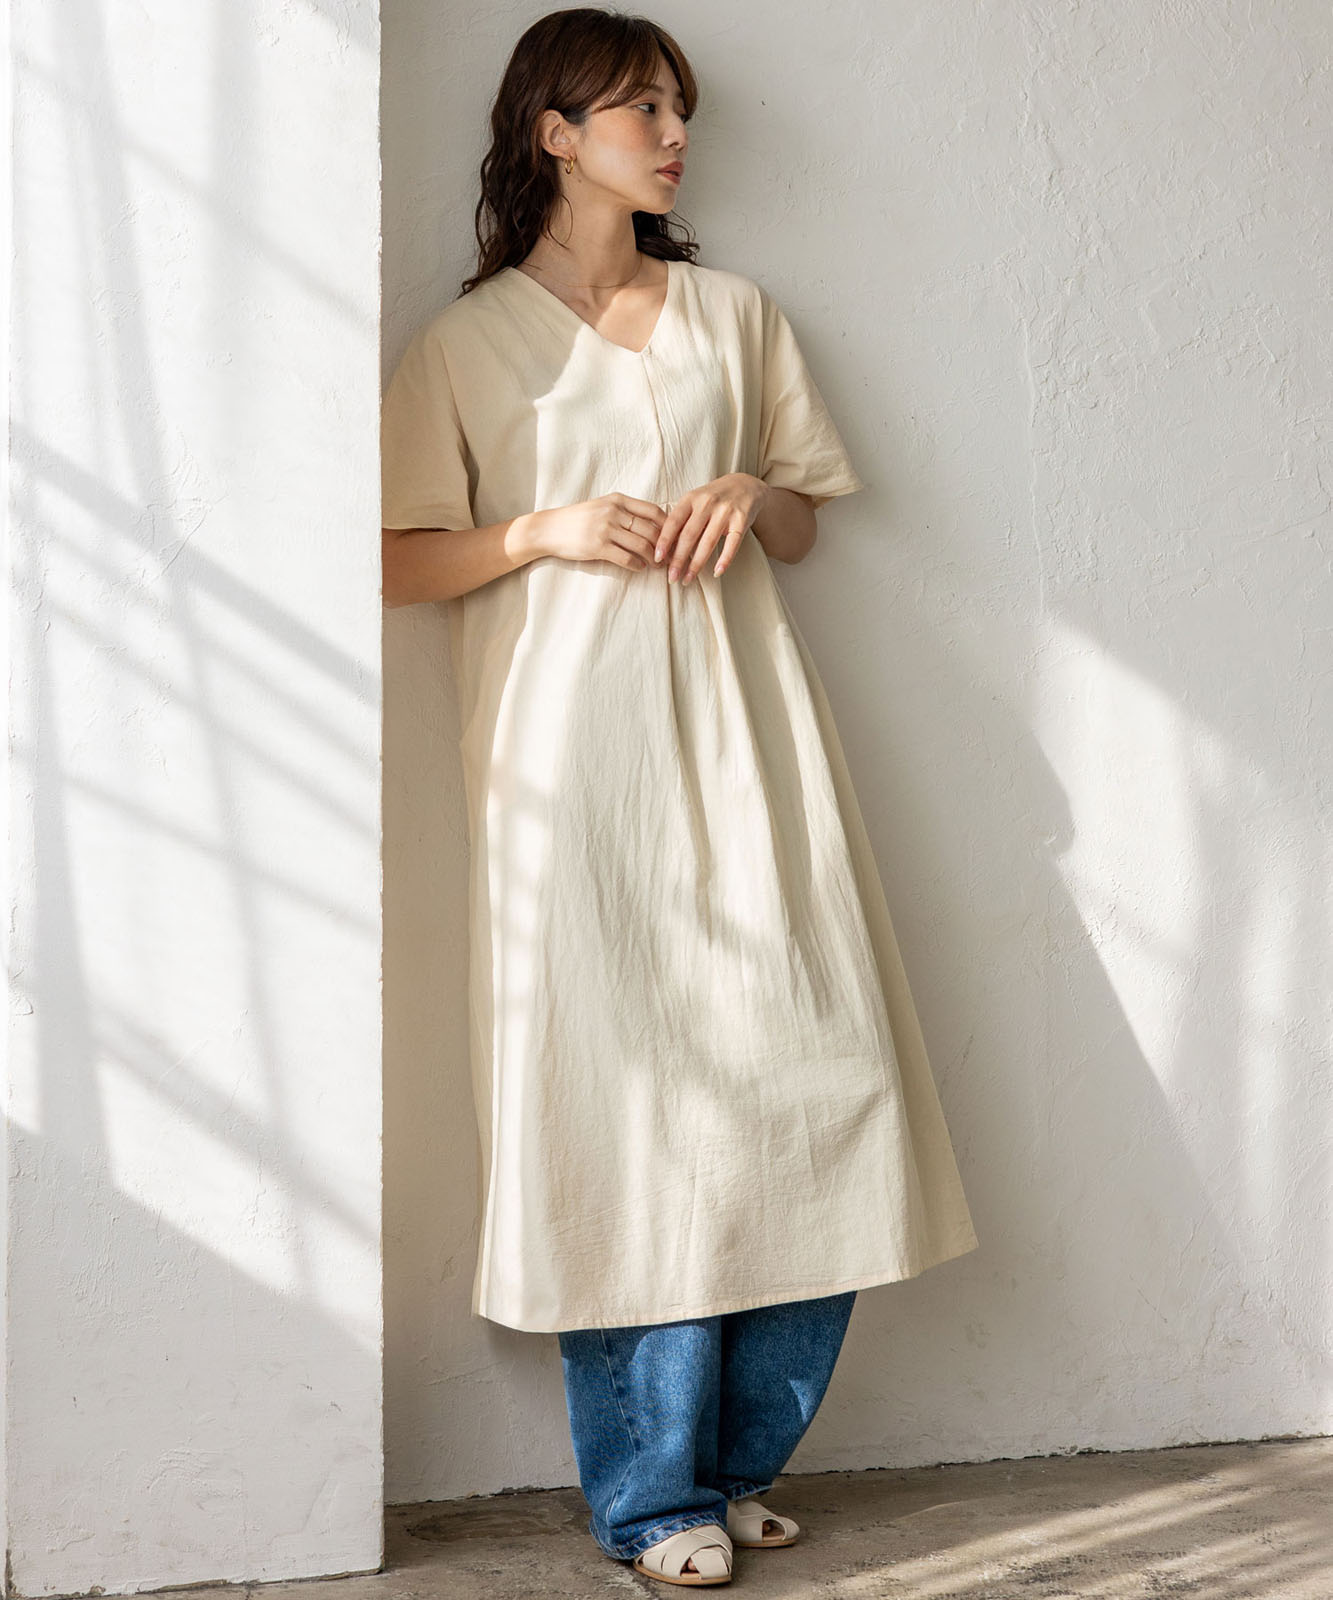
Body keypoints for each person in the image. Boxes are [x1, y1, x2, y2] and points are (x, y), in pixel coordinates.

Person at [380, 7, 980, 1587]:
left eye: (678, 110)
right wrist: (538, 533)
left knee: (820, 1075)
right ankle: (652, 1500)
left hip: (747, 736)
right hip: (569, 768)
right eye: (640, 109)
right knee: (616, 1108)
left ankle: (731, 1464)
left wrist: (746, 492)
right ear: (553, 133)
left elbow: (803, 523)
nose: (672, 135)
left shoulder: (734, 314)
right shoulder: (464, 346)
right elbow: (397, 558)